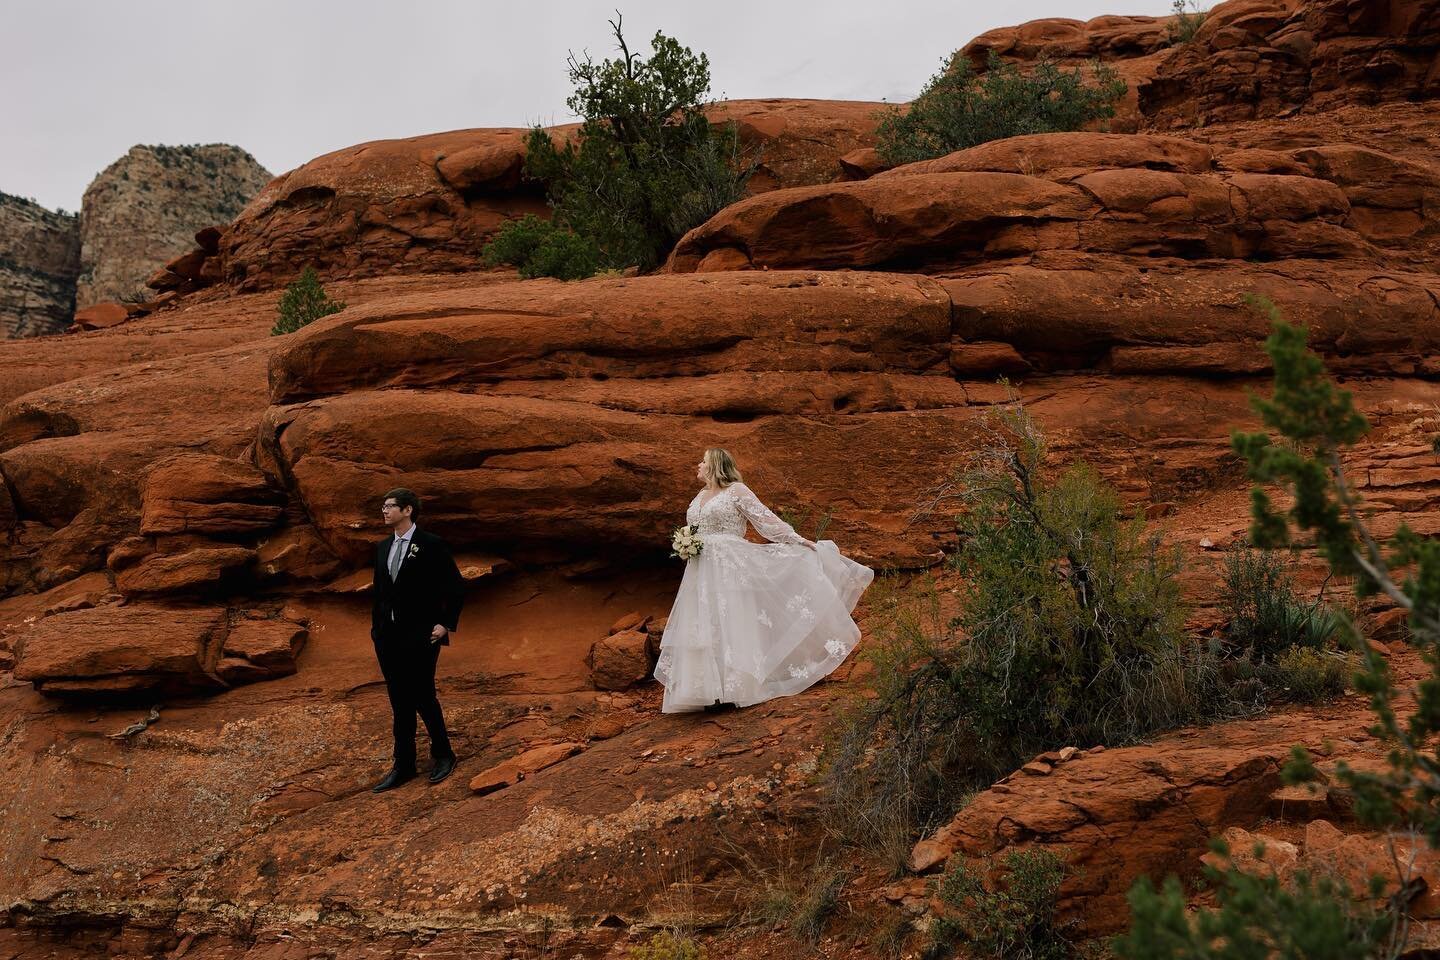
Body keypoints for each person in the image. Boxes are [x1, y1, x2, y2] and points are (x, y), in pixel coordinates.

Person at [654, 449, 874, 713]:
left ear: (715, 465)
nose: (698, 465)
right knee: (704, 621)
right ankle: (706, 691)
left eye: (703, 460)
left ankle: (736, 687)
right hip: (701, 569)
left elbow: (765, 519)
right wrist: (687, 544)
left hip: (729, 565)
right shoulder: (700, 495)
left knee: (732, 619)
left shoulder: (737, 491)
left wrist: (799, 541)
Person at [370, 488, 464, 792]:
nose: (384, 511)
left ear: (407, 510)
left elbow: (454, 586)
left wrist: (445, 624)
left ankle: (444, 754)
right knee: (399, 700)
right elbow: (380, 592)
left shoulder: (431, 544)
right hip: (388, 637)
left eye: (389, 507)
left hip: (422, 634)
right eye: (383, 507)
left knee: (423, 695)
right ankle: (404, 764)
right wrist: (377, 629)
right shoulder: (383, 547)